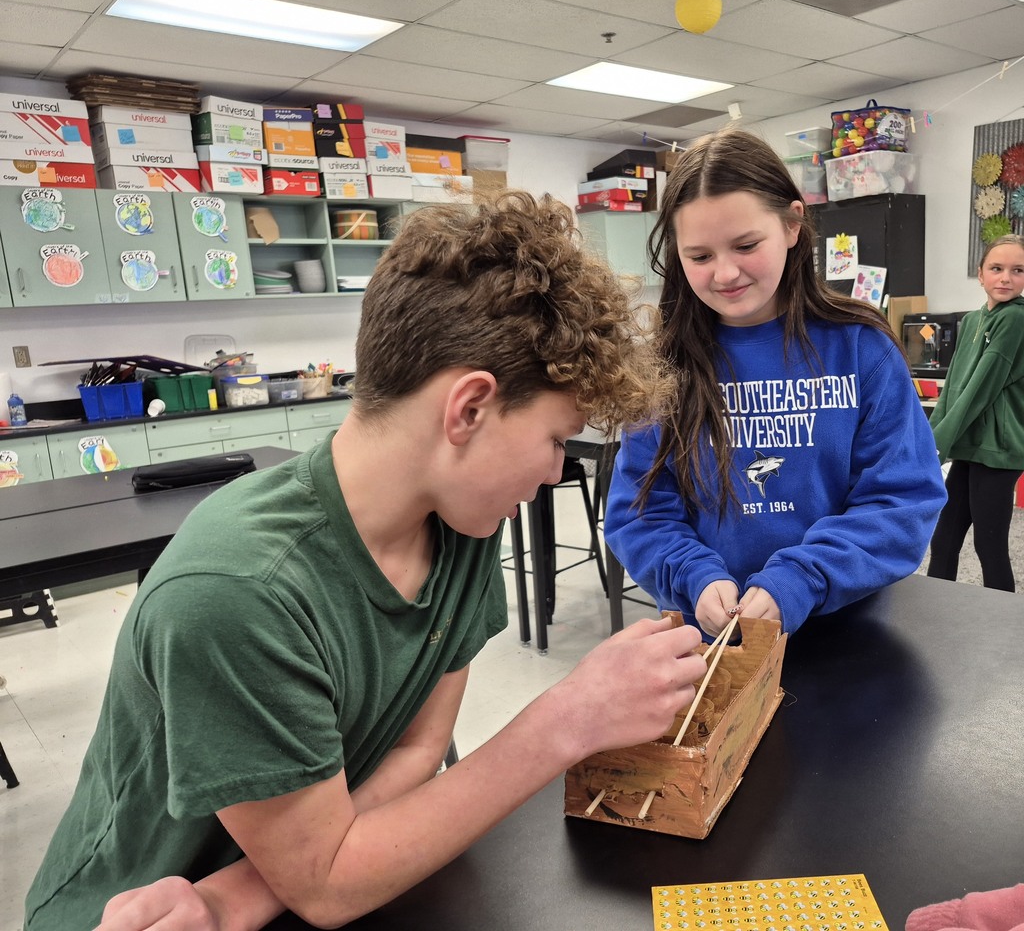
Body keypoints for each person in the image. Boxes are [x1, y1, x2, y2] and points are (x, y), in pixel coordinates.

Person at [25, 191, 707, 931]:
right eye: (554, 439)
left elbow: (416, 752)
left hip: (279, 890)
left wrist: (244, 893)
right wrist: (568, 720)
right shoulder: (236, 594)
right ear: (468, 409)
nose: (553, 474)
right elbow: (327, 889)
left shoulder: (462, 522)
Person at [604, 128, 946, 639]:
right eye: (698, 256)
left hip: (847, 626)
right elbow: (640, 511)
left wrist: (803, 578)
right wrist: (694, 575)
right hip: (714, 635)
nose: (724, 273)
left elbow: (902, 501)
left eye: (746, 245)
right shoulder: (663, 366)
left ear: (791, 224)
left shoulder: (861, 349)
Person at [926, 233, 1024, 592]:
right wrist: (930, 438)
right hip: (969, 445)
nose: (1006, 278)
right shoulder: (971, 321)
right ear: (980, 274)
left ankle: (1007, 635)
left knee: (989, 545)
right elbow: (953, 387)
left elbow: (980, 390)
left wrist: (935, 446)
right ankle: (938, 620)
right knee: (945, 540)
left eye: (1018, 270)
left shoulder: (1015, 320)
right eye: (997, 268)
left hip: (997, 451)